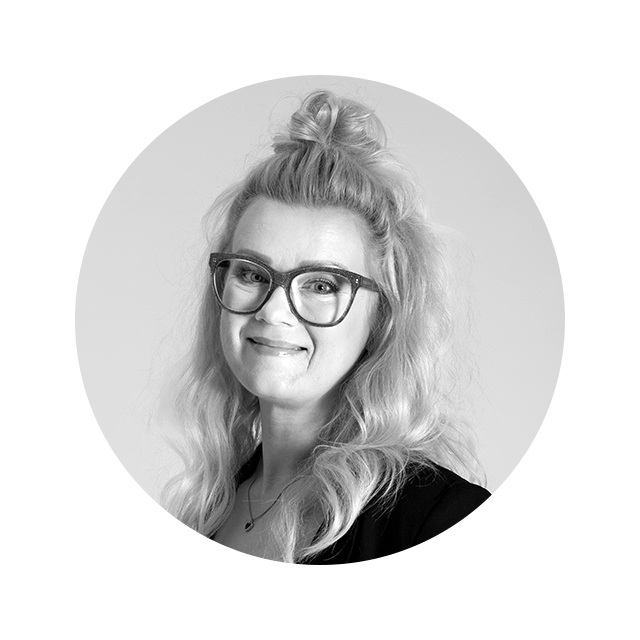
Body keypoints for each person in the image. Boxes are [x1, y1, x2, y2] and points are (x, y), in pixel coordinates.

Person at [161, 89, 490, 563]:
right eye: (252, 273)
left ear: (383, 316)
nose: (273, 311)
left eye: (321, 285)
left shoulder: (440, 521)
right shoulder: (205, 509)